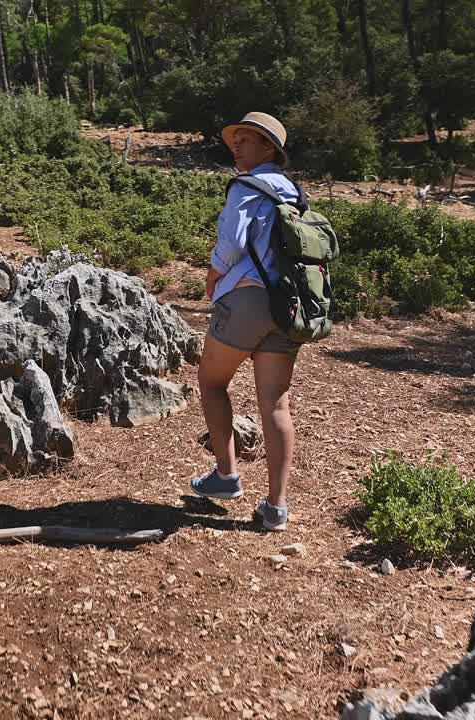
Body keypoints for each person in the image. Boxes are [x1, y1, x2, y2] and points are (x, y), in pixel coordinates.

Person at [189, 111, 300, 532]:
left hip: (247, 301)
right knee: (275, 403)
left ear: (269, 149)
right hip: (286, 306)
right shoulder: (293, 192)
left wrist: (213, 276)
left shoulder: (247, 186)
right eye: (236, 139)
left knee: (212, 382)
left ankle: (226, 476)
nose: (237, 145)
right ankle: (276, 506)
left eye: (247, 139)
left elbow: (231, 244)